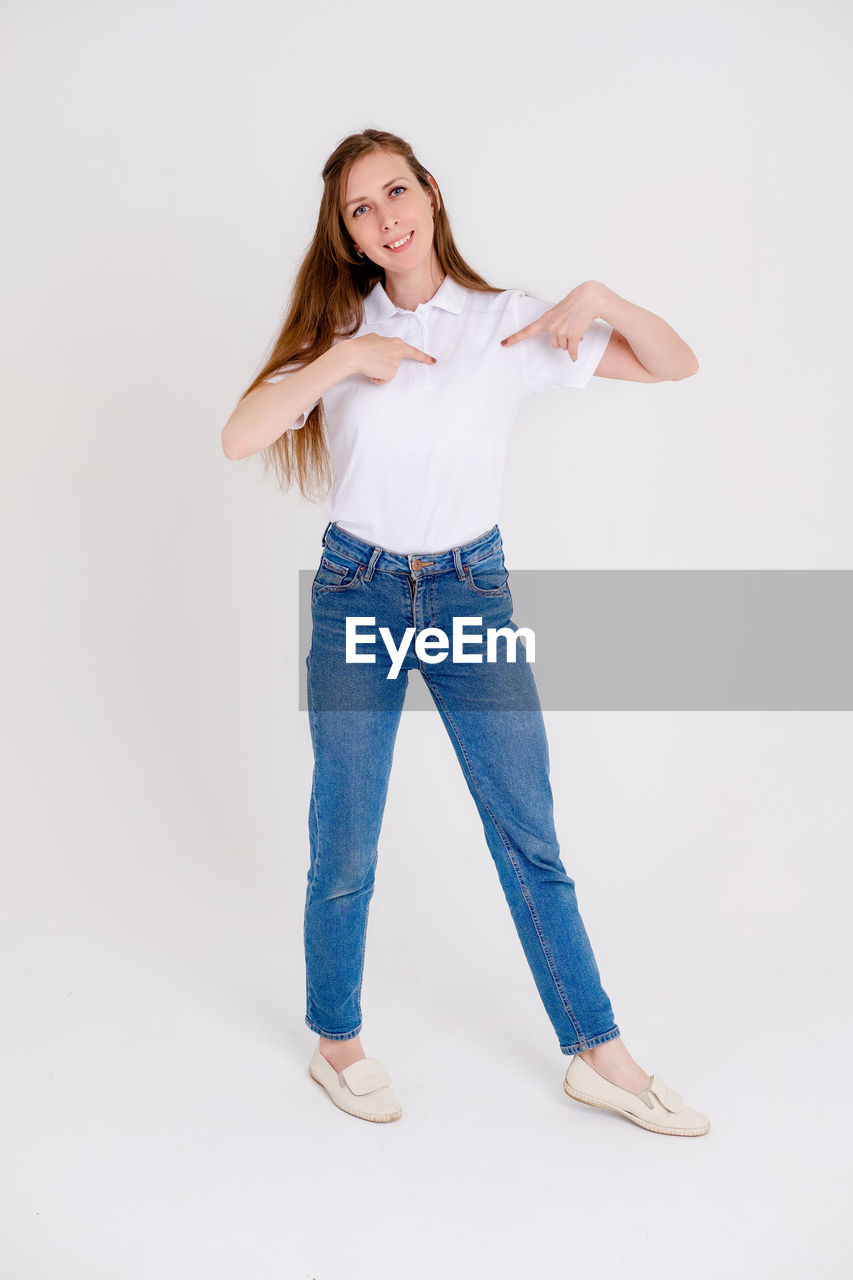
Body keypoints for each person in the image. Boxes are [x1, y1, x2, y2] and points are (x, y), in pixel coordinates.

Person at [221, 128, 710, 1137]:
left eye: (396, 192)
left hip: (467, 594)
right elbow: (240, 433)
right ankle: (338, 1041)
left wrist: (600, 299)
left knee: (528, 833)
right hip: (356, 592)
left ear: (431, 193)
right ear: (348, 234)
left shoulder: (505, 324)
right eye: (361, 209)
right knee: (344, 835)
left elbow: (675, 363)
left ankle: (598, 1051)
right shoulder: (339, 330)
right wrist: (346, 356)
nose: (386, 217)